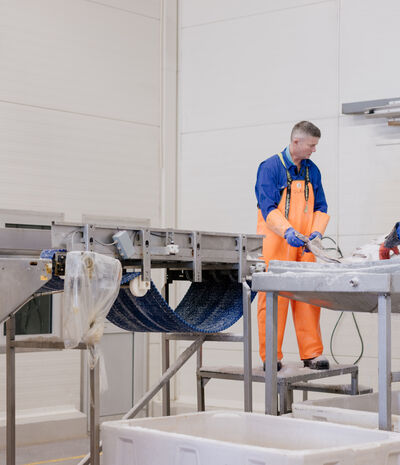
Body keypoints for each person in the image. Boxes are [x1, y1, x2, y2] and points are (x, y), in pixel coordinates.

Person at [255, 121, 330, 370]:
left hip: (305, 245)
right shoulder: (270, 168)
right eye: (312, 145)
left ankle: (311, 354)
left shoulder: (313, 171)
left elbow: (321, 207)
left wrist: (317, 233)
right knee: (274, 300)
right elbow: (267, 208)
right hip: (277, 243)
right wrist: (286, 231)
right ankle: (271, 357)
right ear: (296, 141)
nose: (314, 150)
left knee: (308, 297)